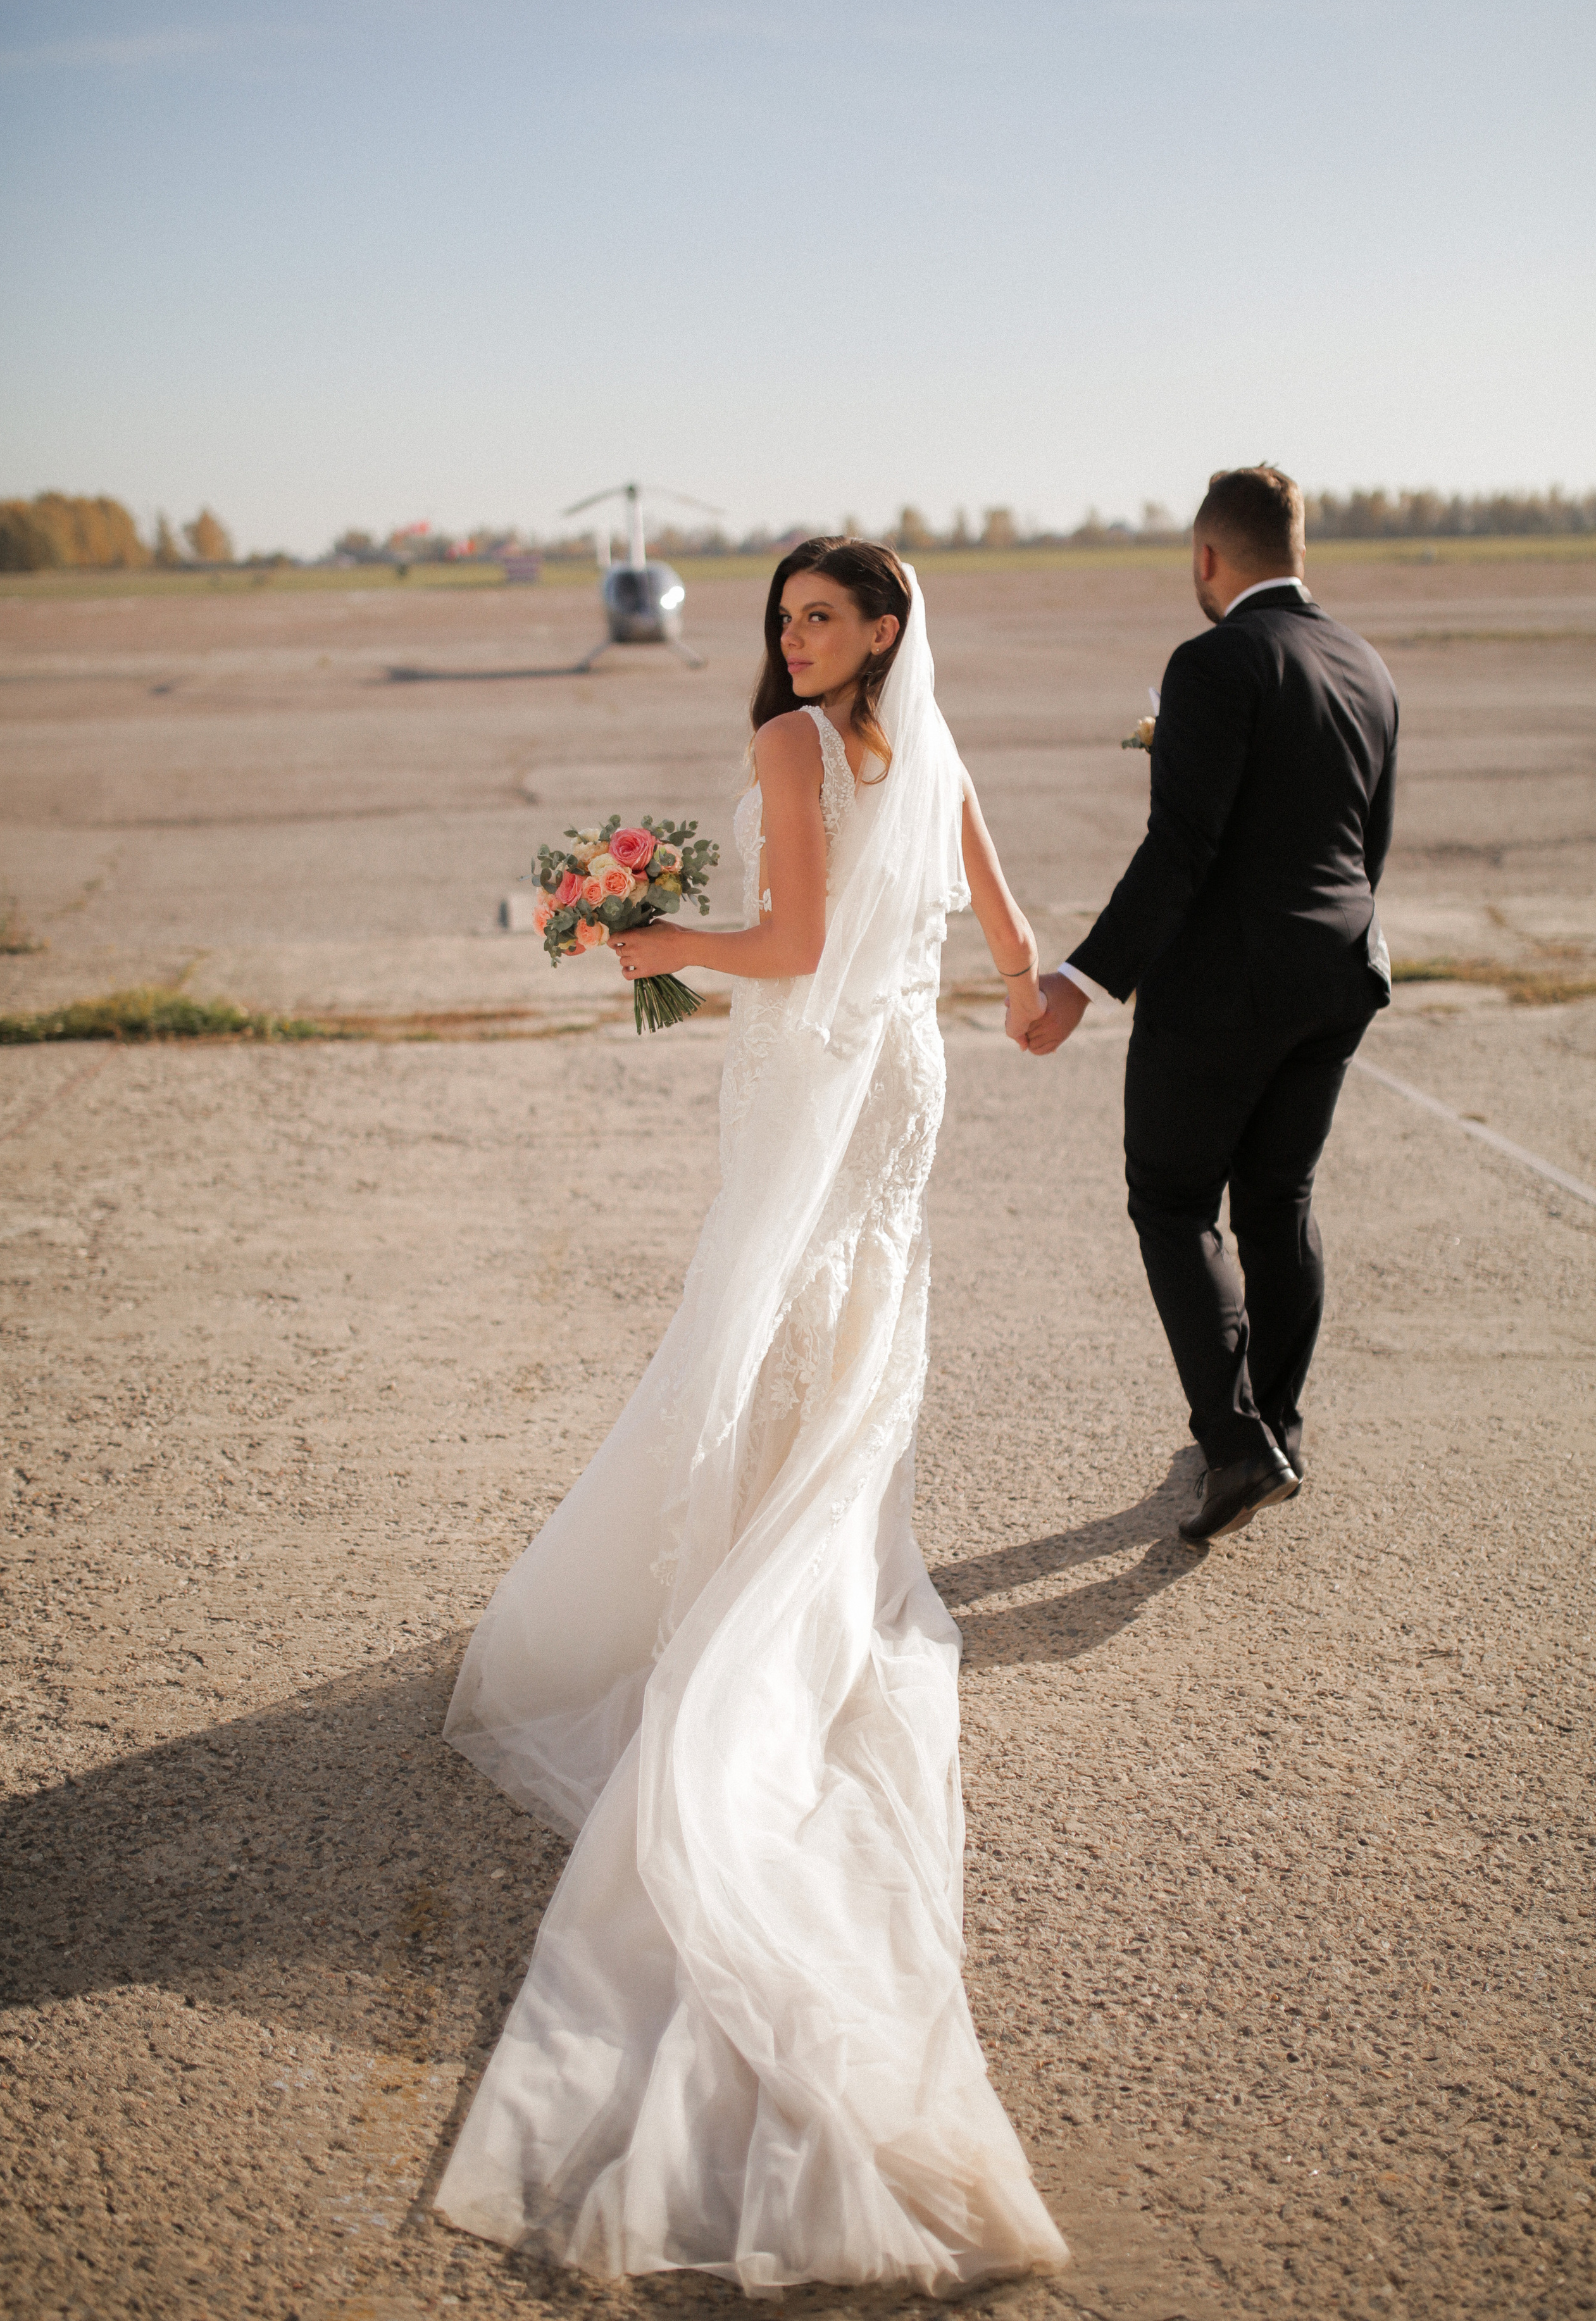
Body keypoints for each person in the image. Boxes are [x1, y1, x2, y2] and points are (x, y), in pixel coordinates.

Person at [434, 539, 1066, 2292]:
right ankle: (828, 1553)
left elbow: (785, 942)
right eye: (781, 616)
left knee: (752, 1318)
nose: (789, 643)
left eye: (820, 618)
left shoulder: (800, 749)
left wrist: (644, 932)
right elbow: (1006, 927)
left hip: (812, 1074)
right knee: (852, 1329)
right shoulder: (925, 746)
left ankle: (733, 1593)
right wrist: (1024, 991)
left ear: (883, 632)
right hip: (906, 1078)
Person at [1020, 466, 1398, 1546]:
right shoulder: (1365, 664)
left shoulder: (1215, 659)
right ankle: (1274, 1423)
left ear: (1205, 557)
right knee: (1279, 1200)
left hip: (1230, 981)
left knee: (1174, 1201)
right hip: (1342, 970)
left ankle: (1235, 1449)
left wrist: (1083, 980)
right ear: (1299, 551)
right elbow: (1367, 846)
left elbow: (1181, 845)